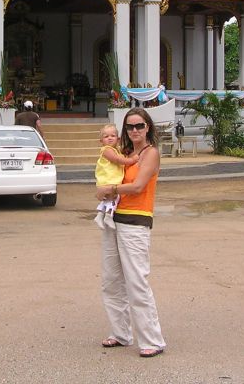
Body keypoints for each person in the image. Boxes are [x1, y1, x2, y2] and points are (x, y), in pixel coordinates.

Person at [96, 107, 166, 358]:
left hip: (136, 221)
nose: (134, 130)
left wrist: (110, 189)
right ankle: (121, 333)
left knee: (136, 282)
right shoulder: (123, 153)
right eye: (130, 126)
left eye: (139, 125)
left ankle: (152, 340)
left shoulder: (150, 153)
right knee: (111, 281)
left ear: (148, 127)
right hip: (113, 218)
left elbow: (137, 187)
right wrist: (105, 188)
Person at [94, 124, 138, 230]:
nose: (110, 138)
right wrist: (131, 160)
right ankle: (108, 216)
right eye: (106, 136)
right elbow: (118, 160)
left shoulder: (116, 150)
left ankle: (100, 215)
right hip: (108, 179)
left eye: (112, 136)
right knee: (114, 197)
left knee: (110, 199)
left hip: (111, 179)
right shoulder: (106, 150)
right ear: (101, 141)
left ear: (118, 139)